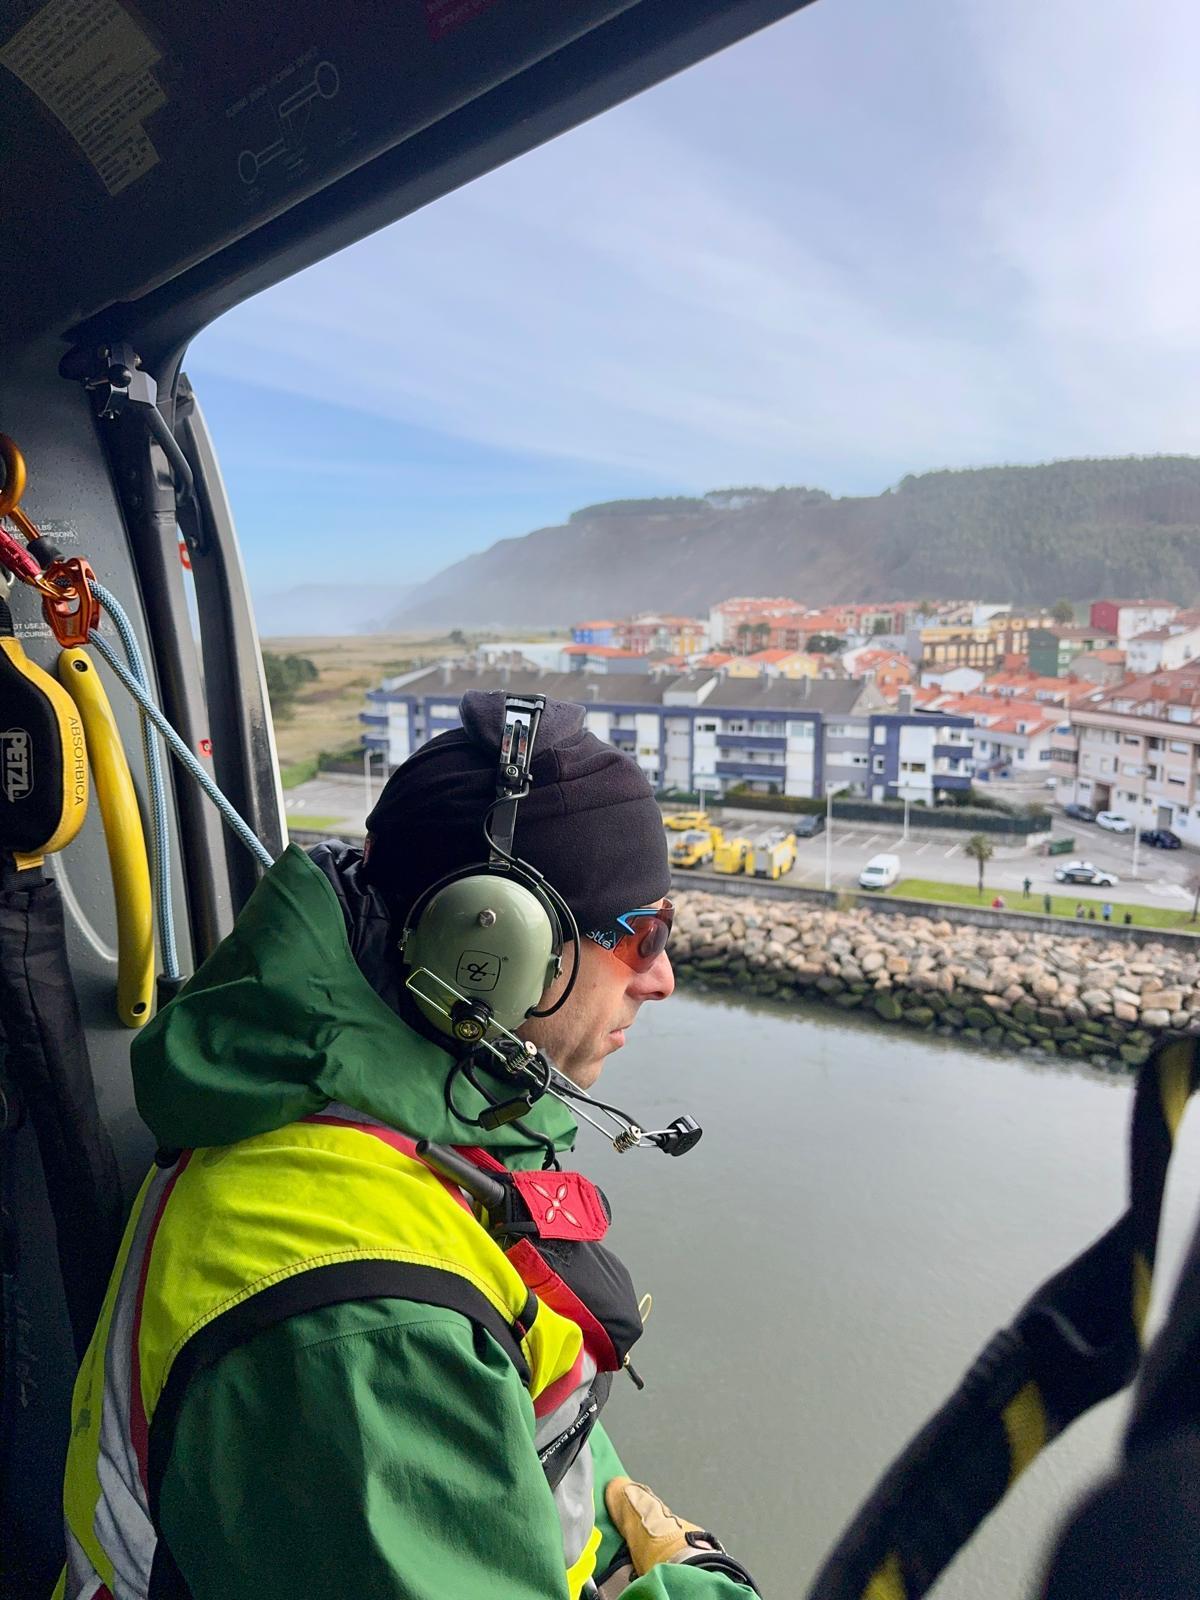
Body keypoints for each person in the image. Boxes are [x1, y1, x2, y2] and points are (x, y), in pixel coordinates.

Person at [54, 692, 759, 1599]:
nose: (662, 979)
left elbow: (524, 1421)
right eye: (640, 935)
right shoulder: (364, 1334)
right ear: (493, 949)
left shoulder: (406, 1125)